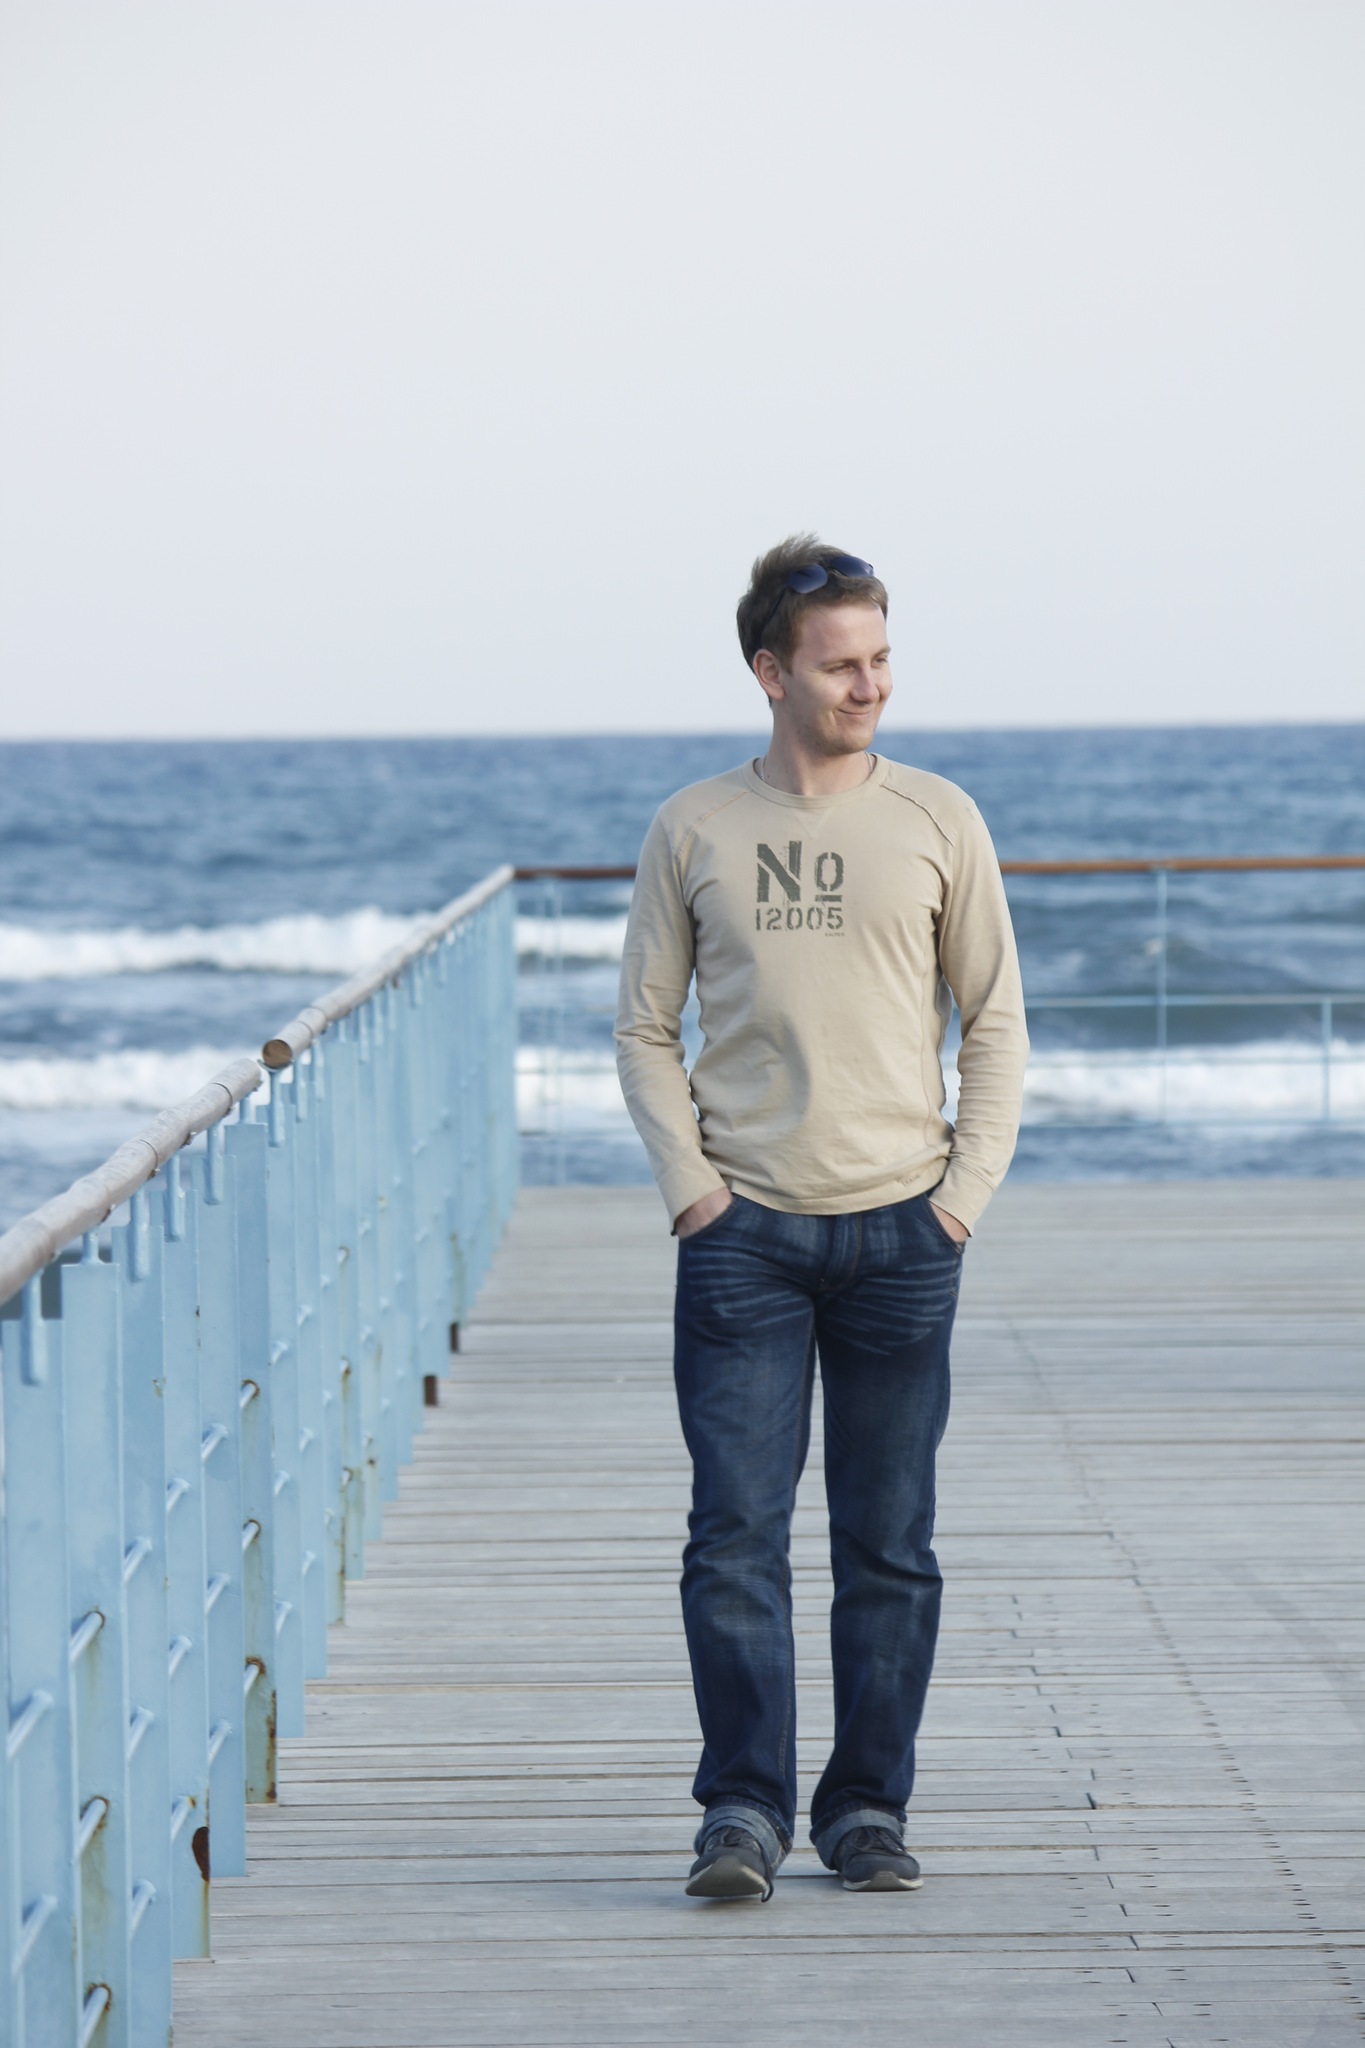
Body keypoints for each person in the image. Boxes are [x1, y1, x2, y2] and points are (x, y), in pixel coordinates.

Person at [615, 535, 1028, 1901]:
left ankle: (865, 1813)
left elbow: (996, 1022)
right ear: (770, 672)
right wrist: (693, 1191)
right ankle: (741, 1814)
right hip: (743, 1236)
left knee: (887, 1547)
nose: (871, 686)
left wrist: (960, 1200)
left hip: (904, 1233)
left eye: (881, 659)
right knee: (732, 1540)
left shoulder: (938, 819)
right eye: (842, 664)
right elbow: (643, 1027)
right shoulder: (693, 826)